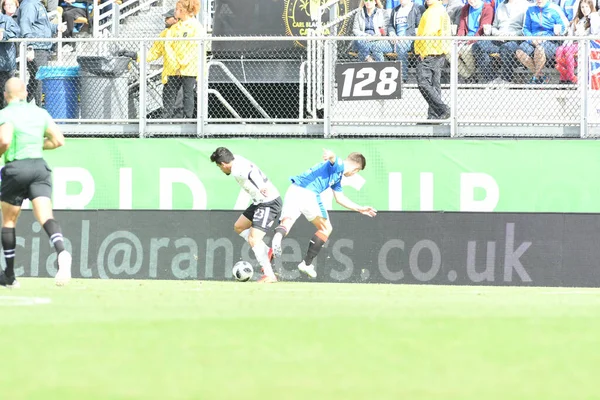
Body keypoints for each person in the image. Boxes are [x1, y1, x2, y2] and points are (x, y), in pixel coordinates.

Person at [0, 78, 71, 288]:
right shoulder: (39, 112)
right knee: (46, 217)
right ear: (24, 93)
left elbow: (4, 140)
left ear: (6, 95)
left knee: (9, 221)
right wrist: (37, 146)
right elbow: (58, 140)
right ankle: (62, 252)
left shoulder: (5, 114)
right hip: (39, 168)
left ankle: (10, 276)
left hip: (16, 169)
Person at [271, 149, 377, 279]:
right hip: (308, 193)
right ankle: (306, 264)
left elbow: (340, 198)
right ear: (356, 168)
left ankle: (278, 237)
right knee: (326, 228)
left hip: (294, 189)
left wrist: (360, 208)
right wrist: (330, 155)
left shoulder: (337, 177)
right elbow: (334, 159)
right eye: (357, 171)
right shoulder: (340, 166)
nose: (354, 174)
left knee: (286, 222)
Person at [210, 147, 282, 284]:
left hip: (268, 202)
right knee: (239, 227)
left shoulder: (237, 170)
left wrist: (261, 186)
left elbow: (251, 173)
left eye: (220, 167)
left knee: (253, 239)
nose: (221, 170)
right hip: (258, 202)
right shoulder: (237, 158)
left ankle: (270, 275)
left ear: (224, 164)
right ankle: (266, 250)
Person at [17, 0, 66, 105]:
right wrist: (29, 47)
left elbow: (43, 26)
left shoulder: (38, 4)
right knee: (38, 79)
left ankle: (23, 104)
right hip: (36, 47)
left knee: (37, 79)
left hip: (42, 46)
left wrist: (56, 27)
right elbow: (25, 24)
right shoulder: (30, 4)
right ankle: (37, 106)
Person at [471, 0, 530, 84]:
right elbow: (494, 26)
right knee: (477, 46)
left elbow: (525, 29)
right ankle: (491, 79)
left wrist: (510, 35)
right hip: (499, 38)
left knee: (506, 48)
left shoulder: (526, 5)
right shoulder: (501, 5)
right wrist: (498, 34)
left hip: (516, 39)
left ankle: (506, 80)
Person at [161, 0, 202, 119]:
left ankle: (187, 120)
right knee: (170, 91)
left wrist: (181, 65)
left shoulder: (195, 26)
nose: (175, 11)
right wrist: (176, 64)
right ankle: (166, 119)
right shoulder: (175, 27)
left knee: (188, 94)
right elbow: (170, 46)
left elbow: (193, 49)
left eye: (176, 9)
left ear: (182, 11)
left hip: (189, 67)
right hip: (175, 67)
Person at [414, 0, 451, 120]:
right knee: (434, 85)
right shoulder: (439, 9)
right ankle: (434, 117)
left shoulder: (433, 11)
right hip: (438, 52)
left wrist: (422, 52)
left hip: (430, 52)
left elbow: (428, 33)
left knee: (423, 82)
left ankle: (442, 109)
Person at [515, 0, 568, 84]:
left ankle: (535, 78)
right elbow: (525, 28)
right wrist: (531, 39)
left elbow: (564, 27)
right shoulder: (530, 9)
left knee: (539, 49)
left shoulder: (555, 8)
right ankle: (541, 76)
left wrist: (558, 32)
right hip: (533, 39)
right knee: (519, 52)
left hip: (550, 40)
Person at [555, 0, 600, 83]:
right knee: (560, 50)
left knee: (568, 50)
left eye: (587, 6)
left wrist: (592, 16)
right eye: (582, 7)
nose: (584, 9)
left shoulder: (594, 17)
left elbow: (594, 33)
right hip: (575, 44)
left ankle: (571, 78)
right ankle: (564, 78)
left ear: (591, 7)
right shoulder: (577, 19)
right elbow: (570, 36)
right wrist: (565, 45)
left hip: (587, 44)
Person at [455, 0, 494, 81]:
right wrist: (458, 42)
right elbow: (462, 28)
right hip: (465, 40)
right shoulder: (465, 8)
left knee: (465, 50)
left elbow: (481, 30)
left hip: (478, 40)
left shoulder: (488, 8)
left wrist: (468, 42)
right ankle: (469, 76)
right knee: (450, 52)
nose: (471, 1)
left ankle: (472, 73)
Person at [387, 0, 424, 82]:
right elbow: (390, 26)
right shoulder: (395, 10)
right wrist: (392, 34)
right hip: (395, 39)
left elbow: (419, 27)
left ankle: (402, 79)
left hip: (410, 40)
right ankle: (383, 74)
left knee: (401, 46)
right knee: (376, 47)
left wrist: (405, 37)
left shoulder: (417, 8)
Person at [0, 9, 19, 109]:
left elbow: (16, 32)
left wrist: (4, 35)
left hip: (6, 65)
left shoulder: (7, 20)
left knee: (7, 93)